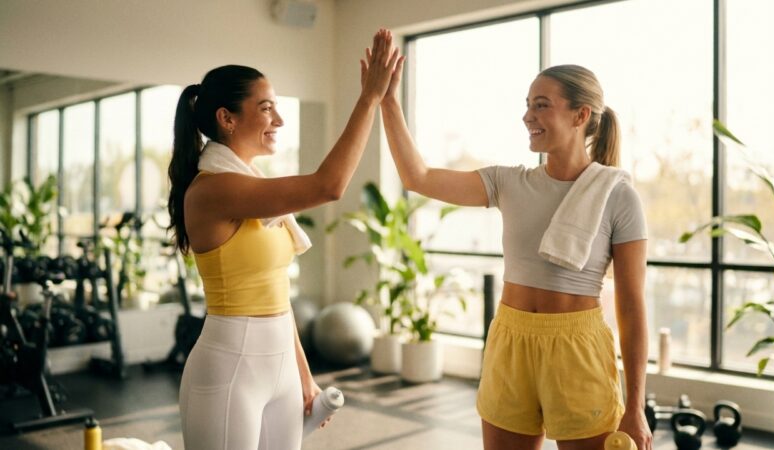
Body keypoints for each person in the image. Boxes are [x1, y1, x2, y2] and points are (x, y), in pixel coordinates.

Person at [373, 54, 652, 450]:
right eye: (527, 105)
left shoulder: (618, 195)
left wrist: (636, 405)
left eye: (541, 105)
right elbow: (417, 177)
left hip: (577, 349)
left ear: (580, 115)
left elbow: (631, 304)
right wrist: (387, 100)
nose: (527, 116)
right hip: (510, 339)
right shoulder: (508, 182)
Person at [168, 30, 399, 450]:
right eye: (267, 108)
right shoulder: (213, 190)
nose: (279, 120)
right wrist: (369, 98)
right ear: (227, 118)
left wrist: (304, 374)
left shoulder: (254, 190)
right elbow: (329, 186)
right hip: (227, 370)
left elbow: (277, 296)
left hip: (281, 371)